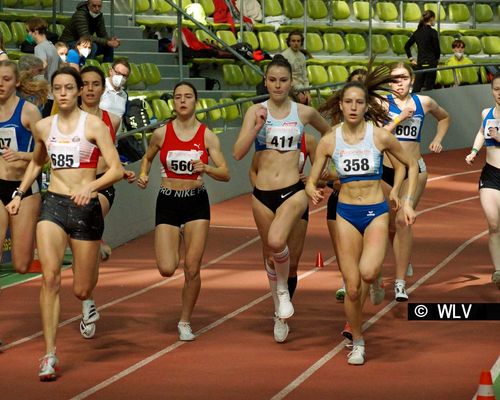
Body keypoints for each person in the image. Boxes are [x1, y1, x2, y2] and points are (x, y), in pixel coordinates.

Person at [6, 66, 124, 381]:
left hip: (86, 209)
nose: (63, 93)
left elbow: (114, 169)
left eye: (68, 88)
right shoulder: (44, 127)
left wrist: (91, 187)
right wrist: (19, 193)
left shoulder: (95, 126)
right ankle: (49, 354)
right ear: (53, 93)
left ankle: (91, 281)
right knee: (51, 278)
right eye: (57, 88)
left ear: (76, 91)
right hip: (54, 205)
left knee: (82, 288)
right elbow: (37, 161)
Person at [306, 66, 418, 365]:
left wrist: (401, 197)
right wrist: (311, 189)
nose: (353, 107)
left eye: (359, 102)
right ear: (340, 106)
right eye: (348, 102)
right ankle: (357, 340)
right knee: (353, 287)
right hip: (345, 214)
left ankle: (377, 279)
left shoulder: (379, 136)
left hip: (376, 211)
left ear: (366, 106)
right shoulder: (330, 140)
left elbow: (409, 165)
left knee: (367, 273)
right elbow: (312, 177)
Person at [233, 55, 330, 343]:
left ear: (291, 82)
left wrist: (314, 177)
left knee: (284, 250)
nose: (277, 85)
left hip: (293, 191)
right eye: (272, 80)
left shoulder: (304, 113)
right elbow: (238, 153)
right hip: (262, 195)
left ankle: (283, 294)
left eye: (283, 80)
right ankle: (279, 312)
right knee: (270, 254)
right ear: (266, 81)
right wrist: (256, 127)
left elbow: (330, 137)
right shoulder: (255, 111)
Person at [137, 81, 230, 341]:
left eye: (188, 96)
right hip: (167, 200)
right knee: (167, 269)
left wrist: (206, 168)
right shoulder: (161, 134)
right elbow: (147, 157)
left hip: (195, 202)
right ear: (173, 103)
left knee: (192, 267)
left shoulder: (207, 136)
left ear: (196, 101)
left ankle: (185, 321)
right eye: (178, 97)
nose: (182, 101)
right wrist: (144, 174)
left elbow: (225, 173)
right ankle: (176, 234)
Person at [382, 62, 450, 301]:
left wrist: (438, 139)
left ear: (411, 79)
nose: (398, 83)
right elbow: (378, 136)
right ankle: (403, 255)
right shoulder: (381, 104)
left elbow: (444, 117)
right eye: (393, 79)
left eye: (402, 78)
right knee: (390, 225)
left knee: (404, 221)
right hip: (387, 171)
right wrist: (399, 118)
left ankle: (399, 283)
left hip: (415, 170)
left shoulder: (424, 102)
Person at [77, 65, 135, 339]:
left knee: (87, 209)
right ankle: (87, 302)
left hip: (101, 187)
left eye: (95, 84)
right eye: (85, 84)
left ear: (103, 89)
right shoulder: (65, 117)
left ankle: (97, 237)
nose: (89, 88)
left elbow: (113, 158)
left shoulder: (111, 120)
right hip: (69, 188)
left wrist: (123, 169)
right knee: (83, 258)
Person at [0, 61, 43, 274]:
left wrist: (20, 155)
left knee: (21, 265)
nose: (0, 84)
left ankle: (42, 244)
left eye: (6, 79)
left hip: (24, 189)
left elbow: (45, 156)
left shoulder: (29, 111)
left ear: (16, 82)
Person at [465, 72, 500, 290]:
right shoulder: (486, 112)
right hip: (491, 175)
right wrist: (474, 151)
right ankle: (498, 270)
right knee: (494, 224)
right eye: (497, 89)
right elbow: (480, 131)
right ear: (492, 91)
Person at [26, 18, 60, 117]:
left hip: (43, 94)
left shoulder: (39, 47)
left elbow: (43, 65)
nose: (28, 34)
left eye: (28, 31)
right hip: (52, 94)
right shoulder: (52, 46)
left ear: (35, 31)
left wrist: (30, 74)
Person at [405, 10, 440, 92]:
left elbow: (406, 46)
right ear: (431, 18)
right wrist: (437, 59)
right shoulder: (433, 32)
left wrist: (411, 58)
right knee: (429, 89)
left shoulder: (417, 32)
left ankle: (413, 103)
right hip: (431, 63)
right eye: (434, 19)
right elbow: (437, 49)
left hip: (420, 63)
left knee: (416, 88)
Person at [281, 31, 311, 106]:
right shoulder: (284, 56)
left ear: (301, 42)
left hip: (301, 87)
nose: (296, 43)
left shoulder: (302, 56)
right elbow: (284, 77)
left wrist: (307, 92)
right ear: (289, 42)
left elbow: (304, 76)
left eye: (298, 41)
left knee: (307, 100)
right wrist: (297, 92)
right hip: (290, 88)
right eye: (293, 41)